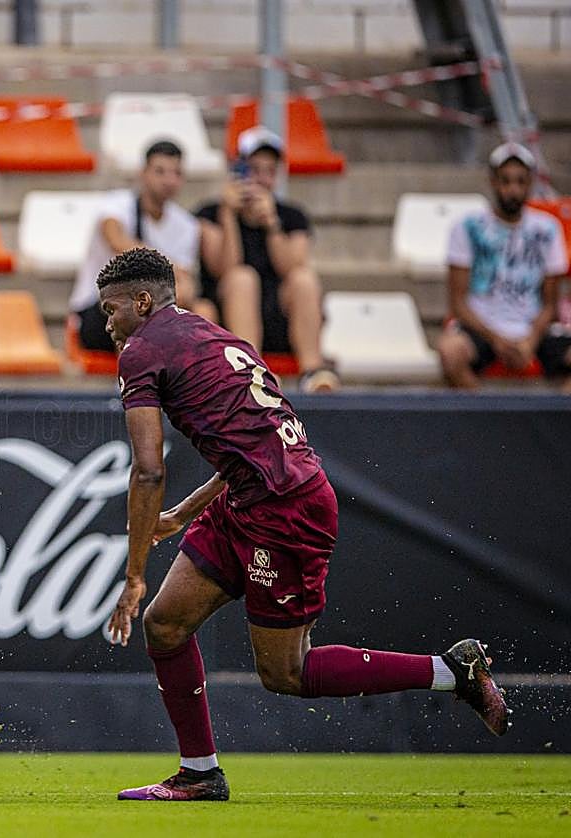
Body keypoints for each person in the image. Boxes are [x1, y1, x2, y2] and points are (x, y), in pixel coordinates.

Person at [96, 247, 509, 803]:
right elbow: (252, 444)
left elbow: (148, 470)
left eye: (111, 310)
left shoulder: (142, 352)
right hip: (255, 494)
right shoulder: (216, 338)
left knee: (287, 673)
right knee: (166, 624)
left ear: (142, 301)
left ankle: (450, 670)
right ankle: (199, 774)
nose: (108, 324)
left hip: (283, 509)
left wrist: (133, 576)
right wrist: (183, 515)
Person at [196, 126, 338, 392]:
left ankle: (313, 369)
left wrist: (272, 225)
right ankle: (250, 370)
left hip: (280, 319)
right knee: (242, 277)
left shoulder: (291, 216)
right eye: (254, 170)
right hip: (230, 321)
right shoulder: (210, 213)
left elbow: (293, 267)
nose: (261, 179)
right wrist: (229, 215)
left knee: (303, 279)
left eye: (269, 171)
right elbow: (222, 267)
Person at [437, 142, 571, 389]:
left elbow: (550, 304)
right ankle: (483, 423)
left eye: (520, 182)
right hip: (481, 326)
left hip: (533, 329)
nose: (513, 189)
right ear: (493, 182)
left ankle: (559, 426)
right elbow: (457, 302)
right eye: (506, 181)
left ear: (529, 184)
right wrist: (497, 340)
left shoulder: (547, 228)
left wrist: (530, 341)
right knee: (450, 352)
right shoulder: (467, 227)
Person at [69, 140, 214, 353]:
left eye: (176, 173)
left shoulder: (187, 225)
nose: (169, 180)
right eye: (160, 171)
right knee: (133, 304)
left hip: (158, 311)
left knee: (203, 310)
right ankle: (138, 380)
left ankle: (193, 380)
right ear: (143, 173)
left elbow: (185, 283)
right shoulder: (117, 204)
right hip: (98, 311)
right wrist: (168, 268)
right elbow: (115, 239)